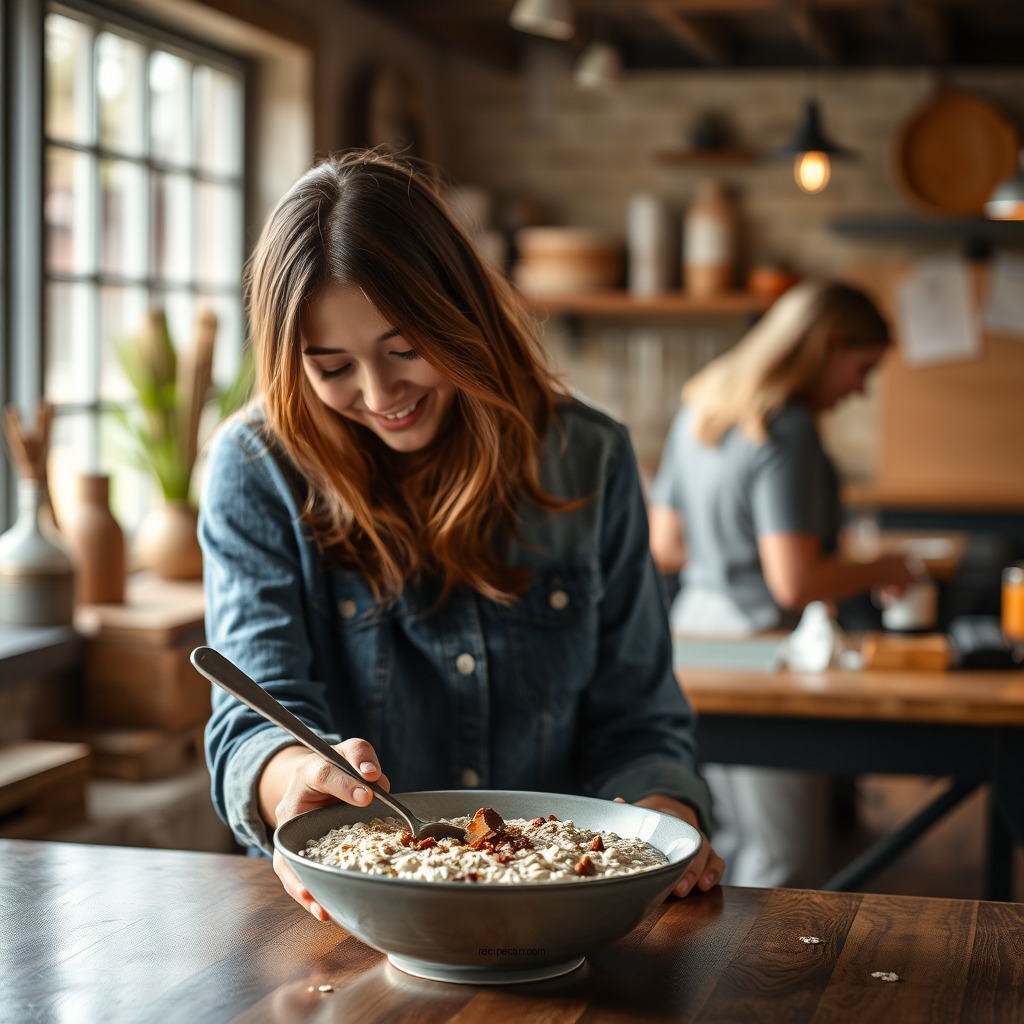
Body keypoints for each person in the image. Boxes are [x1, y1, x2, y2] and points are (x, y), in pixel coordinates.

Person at [199, 148, 723, 920]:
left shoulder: (589, 458)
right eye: (332, 366)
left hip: (562, 910)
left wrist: (665, 825)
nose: (381, 396)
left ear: (461, 316)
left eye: (407, 348)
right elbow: (254, 714)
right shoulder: (256, 469)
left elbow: (639, 718)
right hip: (346, 923)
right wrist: (292, 786)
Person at [648, 279, 918, 889]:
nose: (861, 387)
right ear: (831, 343)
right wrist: (886, 567)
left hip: (692, 638)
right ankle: (766, 983)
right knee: (785, 855)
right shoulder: (787, 427)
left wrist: (728, 544)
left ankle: (709, 978)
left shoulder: (703, 406)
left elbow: (667, 545)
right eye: (863, 367)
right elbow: (794, 582)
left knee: (722, 839)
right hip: (761, 647)